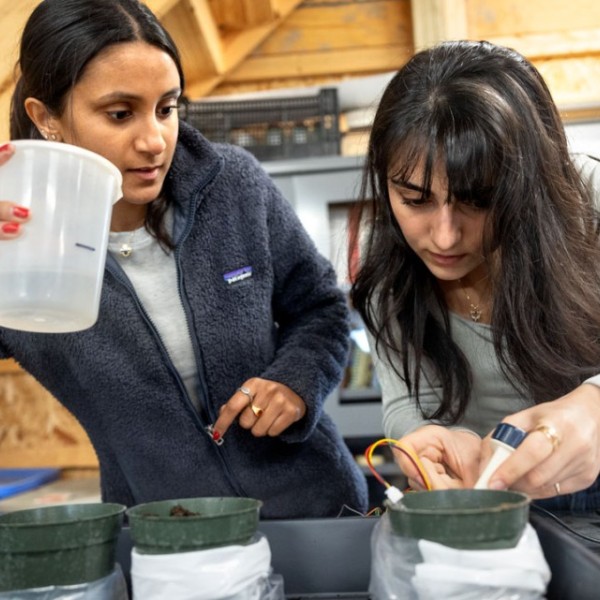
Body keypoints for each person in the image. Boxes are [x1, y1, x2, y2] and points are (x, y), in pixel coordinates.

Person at [0, 0, 368, 519]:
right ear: (47, 118)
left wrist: (296, 381)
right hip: (165, 537)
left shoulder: (235, 186)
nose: (154, 140)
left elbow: (323, 309)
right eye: (120, 113)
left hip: (316, 512)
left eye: (167, 108)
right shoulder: (18, 245)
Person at [350, 40, 600, 511]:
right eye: (415, 200)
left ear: (531, 179)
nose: (444, 237)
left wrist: (595, 406)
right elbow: (409, 404)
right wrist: (434, 437)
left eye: (478, 200)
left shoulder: (591, 205)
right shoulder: (388, 270)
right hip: (499, 505)